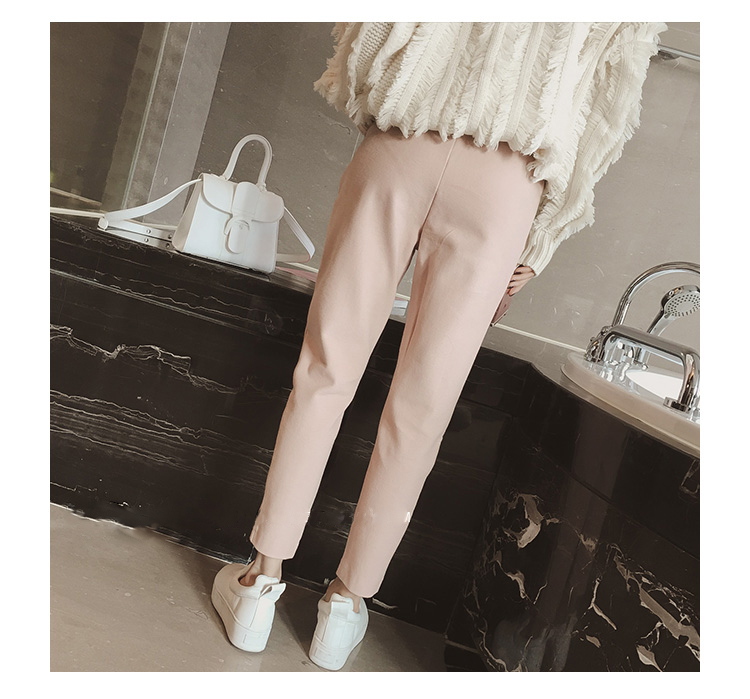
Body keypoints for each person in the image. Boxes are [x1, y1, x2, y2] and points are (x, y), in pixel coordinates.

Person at [210, 21, 668, 671]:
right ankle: (345, 604)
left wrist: (384, 105)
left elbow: (375, 25)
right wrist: (541, 238)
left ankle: (260, 582)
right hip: (506, 180)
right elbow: (604, 110)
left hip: (404, 141)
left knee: (325, 372)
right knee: (421, 411)